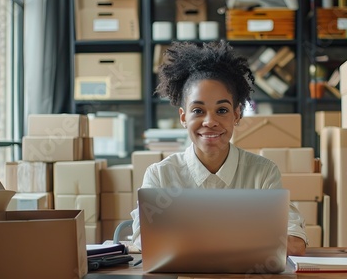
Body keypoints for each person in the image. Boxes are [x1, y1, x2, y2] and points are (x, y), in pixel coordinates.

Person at [130, 40, 307, 256]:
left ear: (237, 115)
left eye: (222, 110)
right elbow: (145, 242)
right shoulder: (160, 175)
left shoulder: (263, 173)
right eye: (198, 110)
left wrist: (190, 236)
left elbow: (296, 245)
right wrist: (248, 235)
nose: (210, 121)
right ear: (183, 117)